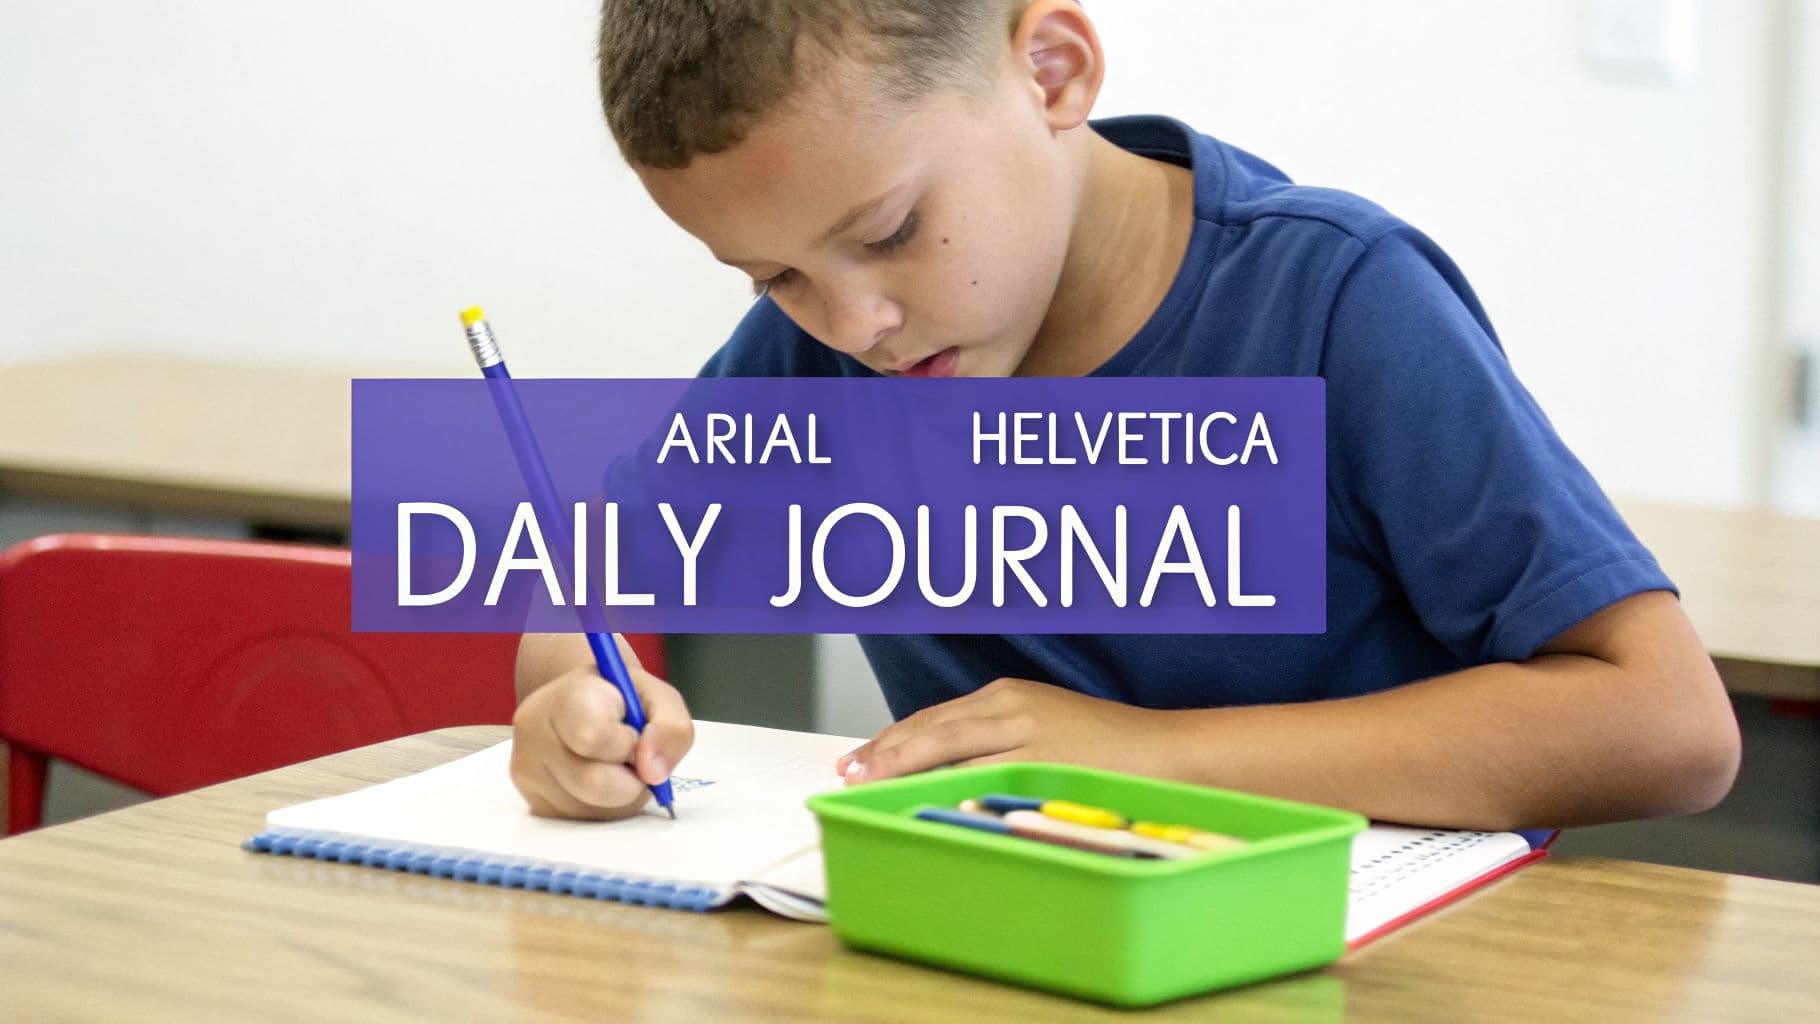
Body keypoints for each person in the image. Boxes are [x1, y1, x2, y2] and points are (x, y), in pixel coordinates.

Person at [508, 0, 1739, 831]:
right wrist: (576, 706)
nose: (852, 325)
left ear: (1050, 70)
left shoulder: (1335, 304)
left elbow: (1667, 724)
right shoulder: (826, 347)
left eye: (887, 233)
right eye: (771, 275)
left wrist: (1137, 748)